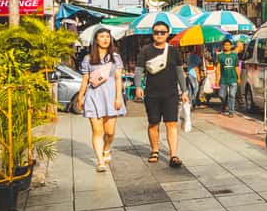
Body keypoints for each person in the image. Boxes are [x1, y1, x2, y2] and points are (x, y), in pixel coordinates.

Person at [135, 21, 189, 168]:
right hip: (151, 93)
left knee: (171, 123)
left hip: (171, 93)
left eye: (162, 32)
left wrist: (184, 90)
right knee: (153, 123)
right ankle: (155, 150)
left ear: (167, 34)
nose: (159, 35)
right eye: (156, 32)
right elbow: (139, 69)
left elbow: (179, 71)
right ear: (152, 34)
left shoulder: (173, 51)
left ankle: (173, 155)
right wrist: (138, 86)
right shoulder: (145, 50)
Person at [77, 28, 126, 172]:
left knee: (109, 132)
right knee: (97, 131)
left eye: (107, 37)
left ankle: (107, 148)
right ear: (96, 40)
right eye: (102, 36)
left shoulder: (115, 58)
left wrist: (118, 97)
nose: (105, 39)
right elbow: (85, 79)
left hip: (111, 97)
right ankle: (100, 161)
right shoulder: (88, 59)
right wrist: (81, 97)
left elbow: (118, 78)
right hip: (93, 97)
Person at [216, 39, 240, 117]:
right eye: (225, 45)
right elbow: (218, 68)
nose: (226, 46)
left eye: (228, 45)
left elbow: (236, 67)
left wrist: (239, 77)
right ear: (223, 46)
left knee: (232, 95)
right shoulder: (220, 56)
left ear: (231, 46)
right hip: (223, 79)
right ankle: (224, 104)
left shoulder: (234, 55)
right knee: (221, 95)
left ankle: (231, 111)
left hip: (233, 78)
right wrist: (217, 79)